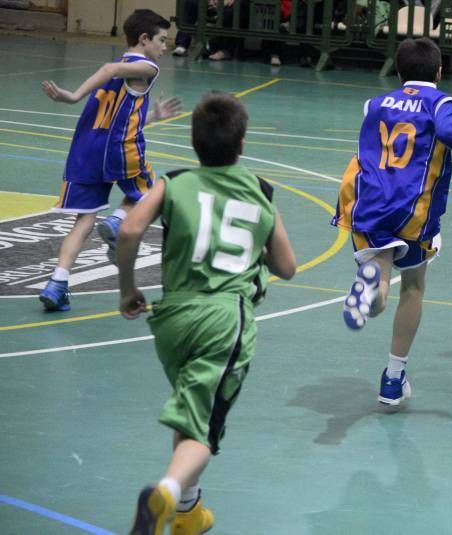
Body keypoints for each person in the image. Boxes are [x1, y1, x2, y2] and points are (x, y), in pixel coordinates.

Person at [117, 91, 296, 534]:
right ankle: (167, 493)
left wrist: (128, 289)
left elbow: (130, 228)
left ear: (194, 142)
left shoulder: (173, 182)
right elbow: (287, 267)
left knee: (191, 408)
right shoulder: (259, 190)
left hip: (172, 319)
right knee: (203, 431)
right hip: (224, 320)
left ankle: (189, 513)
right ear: (241, 142)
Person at [331, 37, 452, 406]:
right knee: (413, 286)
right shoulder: (445, 102)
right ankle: (393, 378)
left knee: (379, 286)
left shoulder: (374, 103)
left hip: (370, 200)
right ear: (440, 72)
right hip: (413, 208)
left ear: (398, 70)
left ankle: (370, 288)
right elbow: (446, 132)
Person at [38, 9, 181, 312]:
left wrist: (152, 116)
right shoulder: (147, 67)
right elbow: (108, 68)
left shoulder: (129, 67)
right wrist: (73, 96)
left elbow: (120, 114)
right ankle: (117, 222)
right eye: (162, 40)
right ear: (144, 39)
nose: (164, 47)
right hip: (119, 148)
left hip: (85, 150)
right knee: (150, 192)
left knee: (84, 220)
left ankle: (57, 283)